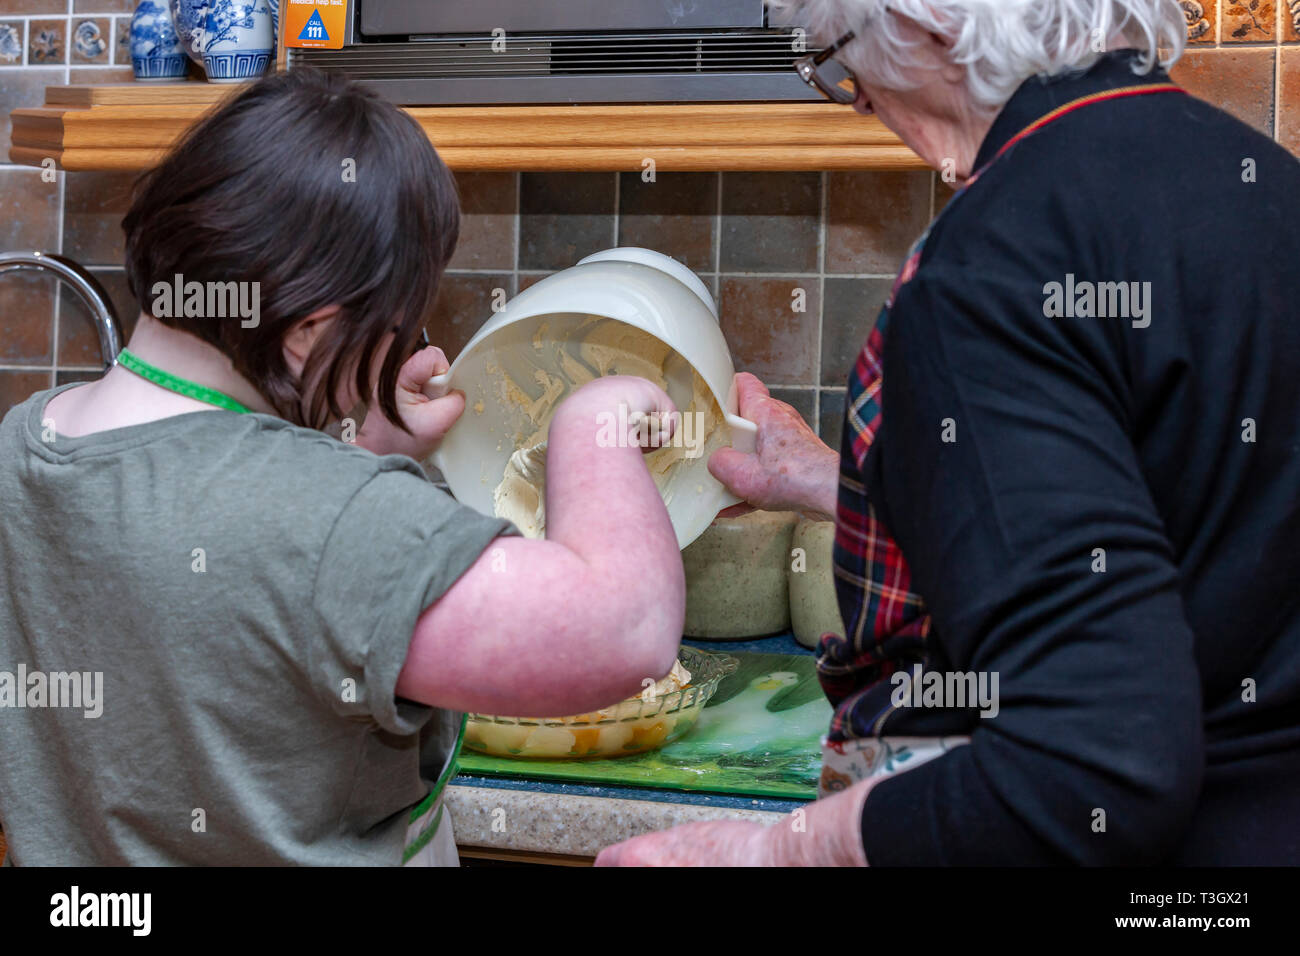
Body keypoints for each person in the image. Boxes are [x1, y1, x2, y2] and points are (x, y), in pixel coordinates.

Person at [597, 0, 1300, 865]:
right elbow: (1177, 506)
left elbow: (1091, 770)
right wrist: (843, 482)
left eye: (839, 59)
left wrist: (768, 854)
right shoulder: (1262, 182)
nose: (855, 98)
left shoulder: (989, 269)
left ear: (928, 14)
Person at [0, 68, 685, 865]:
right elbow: (624, 633)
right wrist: (592, 423)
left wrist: (361, 440)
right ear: (307, 329)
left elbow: (235, 589)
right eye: (392, 322)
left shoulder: (25, 443)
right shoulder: (334, 519)